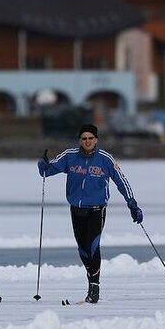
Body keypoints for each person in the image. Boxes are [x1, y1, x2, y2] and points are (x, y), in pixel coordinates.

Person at [38, 124, 143, 304]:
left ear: (96, 140)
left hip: (97, 210)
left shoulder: (105, 159)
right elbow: (48, 170)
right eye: (84, 138)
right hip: (76, 210)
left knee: (93, 247)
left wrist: (132, 204)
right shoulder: (70, 156)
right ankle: (91, 279)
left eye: (90, 138)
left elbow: (121, 181)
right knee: (83, 250)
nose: (87, 141)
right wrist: (43, 165)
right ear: (80, 140)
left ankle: (94, 287)